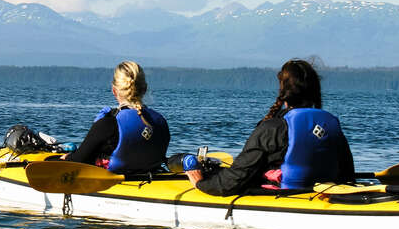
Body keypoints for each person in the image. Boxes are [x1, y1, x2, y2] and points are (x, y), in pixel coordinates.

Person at [186, 59, 355, 196]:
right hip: (319, 193)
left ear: (283, 90)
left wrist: (201, 182)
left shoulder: (273, 127)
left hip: (283, 194)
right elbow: (348, 176)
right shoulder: (331, 126)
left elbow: (231, 182)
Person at [60, 61, 171, 174]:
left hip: (113, 183)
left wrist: (64, 158)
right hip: (151, 180)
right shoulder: (161, 122)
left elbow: (77, 161)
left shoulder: (108, 124)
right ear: (145, 89)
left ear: (114, 90)